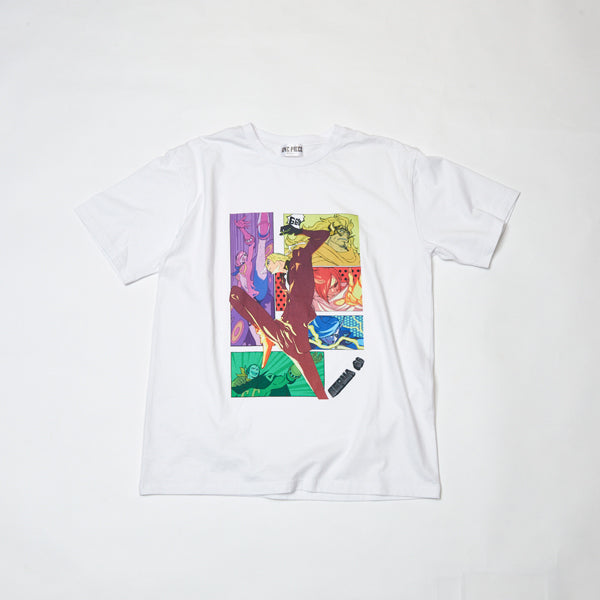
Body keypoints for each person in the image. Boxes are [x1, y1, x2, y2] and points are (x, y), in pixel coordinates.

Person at [229, 218, 329, 399]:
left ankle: (322, 397)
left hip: (295, 325)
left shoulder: (299, 257)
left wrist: (299, 230)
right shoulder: (283, 280)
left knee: (304, 361)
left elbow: (324, 235)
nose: (269, 268)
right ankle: (238, 299)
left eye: (269, 264)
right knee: (300, 357)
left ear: (278, 260)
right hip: (287, 325)